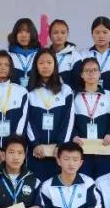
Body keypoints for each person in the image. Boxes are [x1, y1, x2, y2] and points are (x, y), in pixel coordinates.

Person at [25, 48, 74, 181]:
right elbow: (27, 120)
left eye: (49, 62)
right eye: (41, 63)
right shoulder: (28, 91)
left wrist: (61, 145)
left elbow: (68, 120)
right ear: (36, 66)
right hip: (36, 152)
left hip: (58, 153)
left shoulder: (65, 90)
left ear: (55, 65)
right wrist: (34, 144)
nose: (45, 66)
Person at [68, 57, 110, 178]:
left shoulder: (109, 95)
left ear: (100, 73)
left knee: (104, 182)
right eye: (87, 70)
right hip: (81, 150)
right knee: (84, 182)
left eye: (94, 70)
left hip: (104, 149)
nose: (91, 73)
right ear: (81, 74)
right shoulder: (73, 96)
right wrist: (73, 136)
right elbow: (68, 122)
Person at [83, 16, 110, 89]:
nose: (101, 36)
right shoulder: (83, 54)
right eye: (97, 32)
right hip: (90, 95)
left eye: (105, 32)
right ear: (92, 35)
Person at [46, 19, 83, 88]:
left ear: (67, 35)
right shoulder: (44, 55)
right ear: (50, 35)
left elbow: (78, 83)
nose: (59, 36)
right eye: (55, 33)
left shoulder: (75, 56)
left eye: (63, 33)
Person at [6, 17, 42, 88]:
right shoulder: (8, 56)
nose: (23, 35)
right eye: (20, 32)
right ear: (15, 34)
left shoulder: (40, 55)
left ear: (33, 33)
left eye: (27, 32)